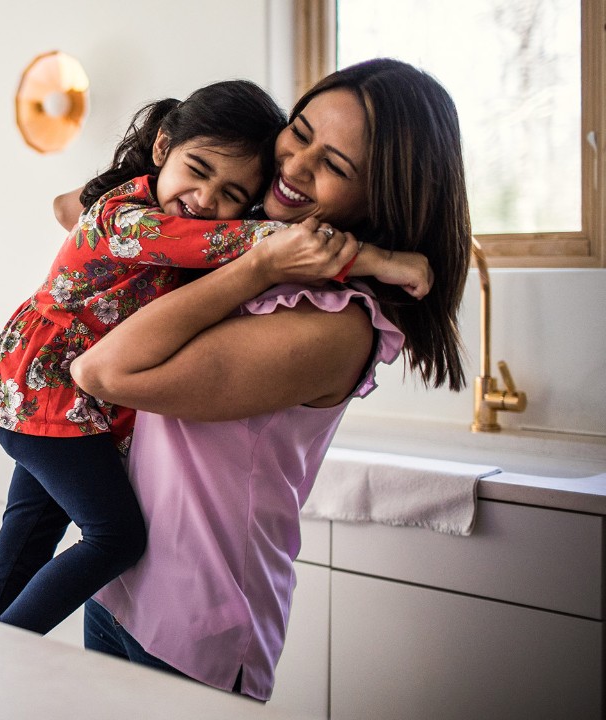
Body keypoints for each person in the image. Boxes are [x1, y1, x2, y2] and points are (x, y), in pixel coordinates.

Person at [65, 58, 471, 701]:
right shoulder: (255, 246)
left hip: (195, 625)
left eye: (335, 166)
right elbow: (79, 215)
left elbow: (103, 371)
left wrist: (257, 266)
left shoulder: (333, 324)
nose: (295, 165)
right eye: (300, 131)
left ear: (382, 198)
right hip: (121, 586)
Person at [0, 80, 429, 637]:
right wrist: (378, 259)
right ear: (163, 147)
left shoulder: (154, 213)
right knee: (112, 538)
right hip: (47, 394)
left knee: (25, 543)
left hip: (55, 402)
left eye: (233, 193)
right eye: (200, 169)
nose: (208, 200)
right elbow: (247, 245)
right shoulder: (135, 220)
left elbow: (88, 210)